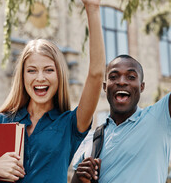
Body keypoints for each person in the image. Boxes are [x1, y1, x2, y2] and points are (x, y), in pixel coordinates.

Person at [0, 0, 105, 183]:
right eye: (32, 70)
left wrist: (92, 9)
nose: (40, 78)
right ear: (22, 77)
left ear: (59, 76)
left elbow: (96, 75)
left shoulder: (70, 124)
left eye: (49, 70)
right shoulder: (1, 122)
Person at [72, 55, 171, 183]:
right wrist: (79, 178)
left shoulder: (159, 118)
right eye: (113, 77)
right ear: (105, 86)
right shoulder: (90, 141)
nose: (122, 82)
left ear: (142, 86)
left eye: (131, 77)